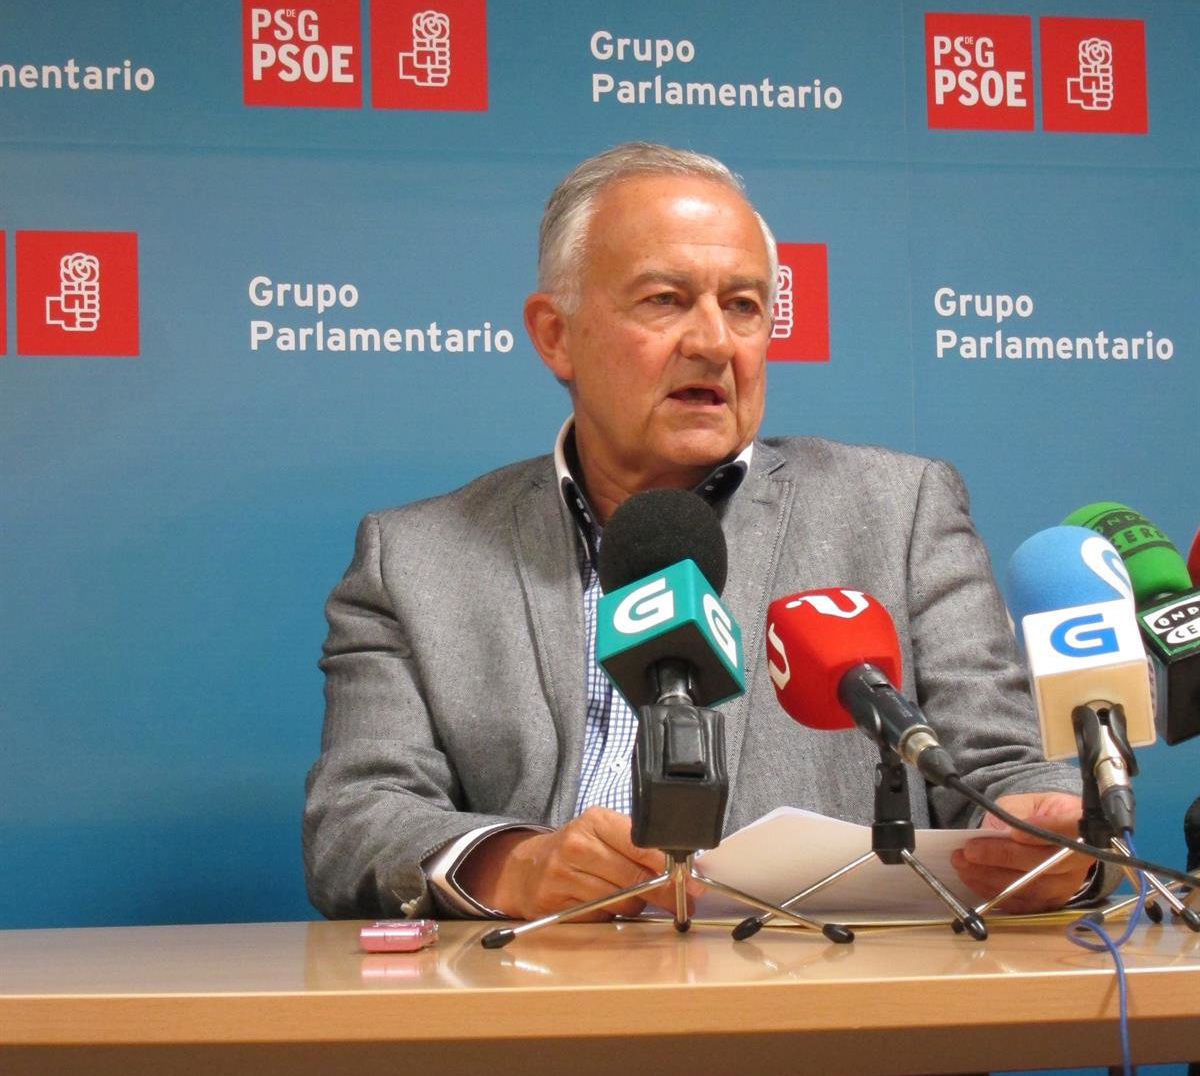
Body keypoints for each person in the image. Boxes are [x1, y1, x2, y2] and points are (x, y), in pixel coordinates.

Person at [303, 142, 1092, 924]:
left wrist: (1049, 837)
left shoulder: (898, 511)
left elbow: (1009, 770)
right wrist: (513, 866)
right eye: (665, 300)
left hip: (819, 987)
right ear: (555, 334)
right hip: (541, 985)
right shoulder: (416, 561)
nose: (715, 343)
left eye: (743, 305)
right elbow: (356, 820)